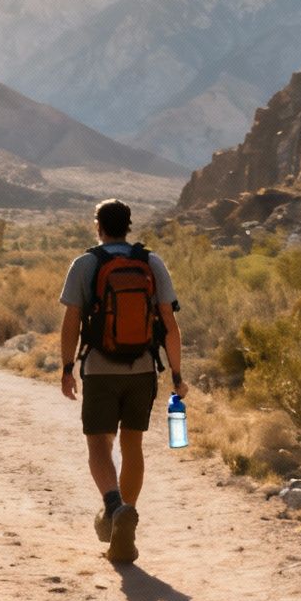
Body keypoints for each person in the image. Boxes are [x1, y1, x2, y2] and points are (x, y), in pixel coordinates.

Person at [59, 199, 183, 564]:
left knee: (99, 444)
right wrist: (177, 375)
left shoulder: (86, 264)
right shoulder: (150, 262)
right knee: (133, 445)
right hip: (143, 369)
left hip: (99, 369)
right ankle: (125, 514)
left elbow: (71, 323)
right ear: (129, 226)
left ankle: (114, 508)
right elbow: (170, 325)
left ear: (98, 226)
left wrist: (67, 368)